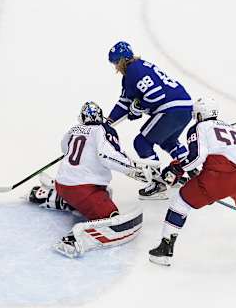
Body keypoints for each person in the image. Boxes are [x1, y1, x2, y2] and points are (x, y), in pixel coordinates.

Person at [148, 97, 236, 266]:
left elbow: (197, 157)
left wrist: (177, 169)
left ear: (201, 114)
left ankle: (165, 250)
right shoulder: (231, 128)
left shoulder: (200, 127)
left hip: (218, 175)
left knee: (180, 202)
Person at [28, 101, 148, 258]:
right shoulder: (103, 130)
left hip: (62, 184)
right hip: (83, 189)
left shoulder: (74, 129)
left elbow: (65, 148)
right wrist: (132, 168)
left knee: (105, 193)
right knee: (110, 215)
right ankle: (73, 239)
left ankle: (48, 196)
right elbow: (107, 155)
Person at [106, 41, 193, 200]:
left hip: (171, 109)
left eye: (116, 62)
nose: (116, 68)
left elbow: (156, 95)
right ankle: (190, 169)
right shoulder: (137, 69)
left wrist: (138, 106)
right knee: (169, 141)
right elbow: (124, 103)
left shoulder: (134, 71)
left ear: (123, 59)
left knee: (141, 143)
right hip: (185, 107)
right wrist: (108, 122)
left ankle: (157, 183)